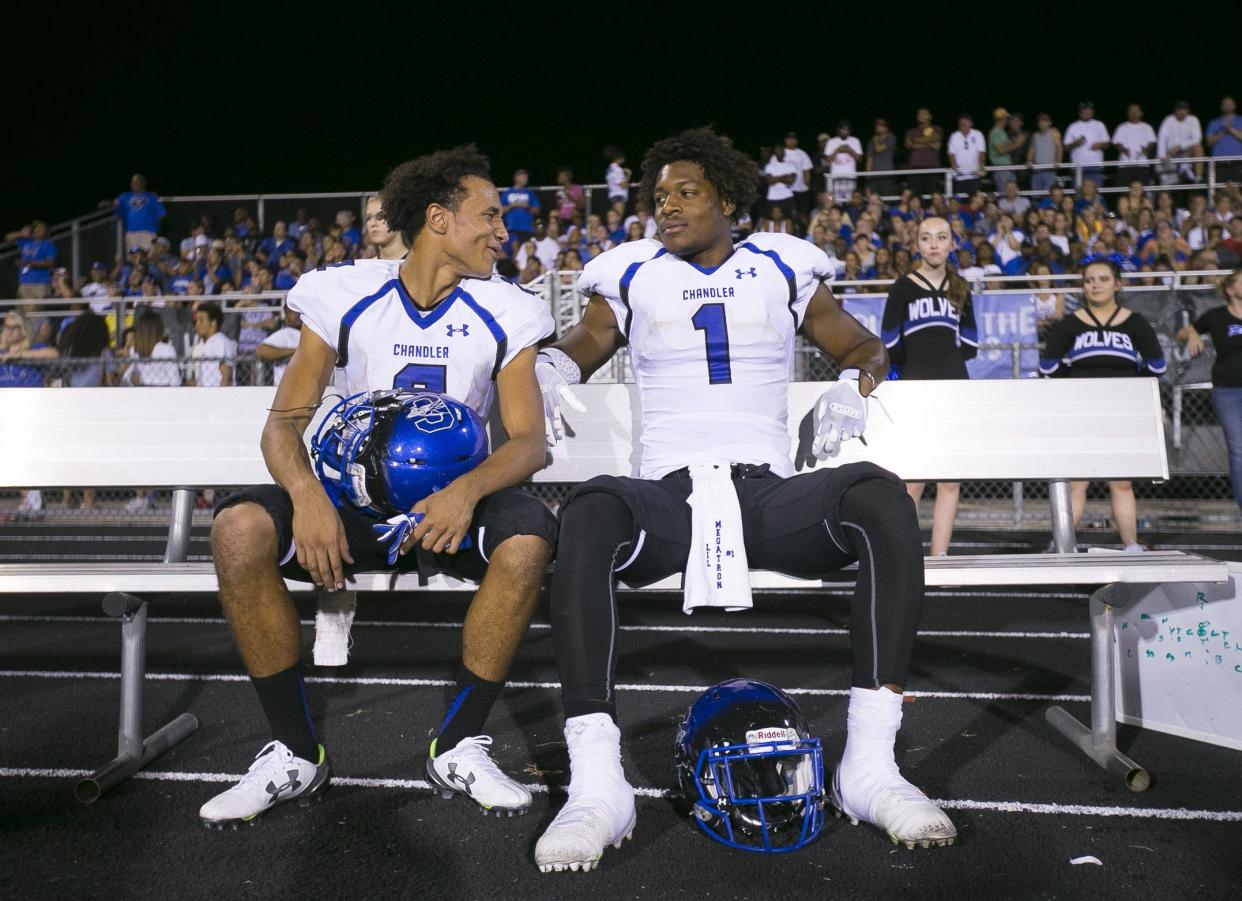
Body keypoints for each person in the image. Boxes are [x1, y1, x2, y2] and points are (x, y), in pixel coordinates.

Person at [531, 127, 955, 873]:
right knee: (591, 510)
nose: (667, 207)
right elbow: (581, 344)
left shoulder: (782, 266)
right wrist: (547, 368)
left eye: (686, 192)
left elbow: (863, 347)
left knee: (882, 499)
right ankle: (598, 781)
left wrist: (852, 383)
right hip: (671, 496)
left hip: (765, 494)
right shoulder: (631, 272)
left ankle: (869, 763)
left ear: (729, 199)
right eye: (658, 196)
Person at [198, 145, 557, 829]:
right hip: (352, 501)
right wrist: (307, 497)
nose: (503, 231)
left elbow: (529, 442)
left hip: (451, 509)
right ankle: (295, 753)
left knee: (528, 538)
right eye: (489, 215)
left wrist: (464, 493)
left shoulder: (505, 308)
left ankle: (457, 743)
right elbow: (282, 426)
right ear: (439, 218)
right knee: (237, 529)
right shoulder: (346, 293)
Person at [1039, 258, 1166, 551]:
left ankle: (1131, 544)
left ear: (1118, 284)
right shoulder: (1071, 323)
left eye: (1103, 279)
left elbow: (1158, 366)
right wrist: (1074, 386)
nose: (1095, 285)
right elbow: (1048, 365)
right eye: (1089, 280)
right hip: (1080, 411)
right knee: (1076, 482)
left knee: (1120, 482)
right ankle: (1062, 544)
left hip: (1121, 412)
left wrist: (1130, 389)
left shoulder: (1134, 322)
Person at [881, 217, 977, 557]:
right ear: (917, 245)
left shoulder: (961, 287)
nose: (934, 244)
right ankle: (904, 557)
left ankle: (940, 558)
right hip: (914, 389)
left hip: (954, 388)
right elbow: (890, 344)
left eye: (941, 237)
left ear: (953, 244)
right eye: (926, 238)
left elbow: (970, 345)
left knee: (950, 479)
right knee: (913, 477)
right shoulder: (902, 288)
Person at [1177, 269, 1242, 515]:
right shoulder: (1217, 316)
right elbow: (1182, 332)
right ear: (1230, 289)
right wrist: (1193, 333)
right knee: (1238, 450)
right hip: (1228, 391)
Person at [103, 173, 166, 251]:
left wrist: (154, 226)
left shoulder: (151, 196)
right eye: (133, 182)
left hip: (148, 233)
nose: (134, 184)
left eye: (137, 181)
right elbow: (114, 203)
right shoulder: (125, 196)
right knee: (133, 258)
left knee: (147, 257)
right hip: (131, 233)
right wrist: (106, 203)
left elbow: (161, 213)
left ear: (143, 183)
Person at [1063, 102, 1110, 189]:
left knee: (1096, 192)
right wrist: (1075, 144)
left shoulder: (1099, 125)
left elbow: (1107, 144)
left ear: (1093, 111)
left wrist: (1100, 145)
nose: (1086, 112)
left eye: (1089, 110)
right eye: (1084, 110)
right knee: (1079, 193)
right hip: (1078, 166)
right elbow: (1065, 148)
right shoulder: (1072, 126)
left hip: (1095, 166)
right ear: (1079, 112)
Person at [1156, 101, 1203, 185]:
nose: (1181, 112)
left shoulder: (1193, 119)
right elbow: (1162, 138)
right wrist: (1162, 155)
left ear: (1188, 111)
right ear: (1175, 111)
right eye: (1179, 109)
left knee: (1198, 147)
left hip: (1186, 151)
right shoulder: (1168, 120)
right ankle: (1184, 168)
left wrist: (1180, 146)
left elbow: (1197, 138)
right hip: (1171, 154)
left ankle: (1198, 177)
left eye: (1184, 109)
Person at [904, 108, 943, 198]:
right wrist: (930, 144)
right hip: (914, 168)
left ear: (930, 117)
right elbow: (908, 144)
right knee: (915, 196)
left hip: (932, 168)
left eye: (924, 114)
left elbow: (935, 137)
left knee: (934, 195)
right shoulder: (911, 131)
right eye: (919, 114)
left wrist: (916, 141)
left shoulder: (936, 128)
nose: (921, 116)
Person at [947, 113, 986, 197]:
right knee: (960, 201)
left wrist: (981, 166)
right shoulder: (954, 136)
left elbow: (982, 152)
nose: (963, 123)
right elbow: (951, 153)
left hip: (974, 176)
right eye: (961, 121)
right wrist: (953, 163)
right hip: (959, 177)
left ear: (971, 123)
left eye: (966, 121)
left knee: (975, 201)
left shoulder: (978, 134)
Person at [1206, 97, 1242, 184]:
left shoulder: (1240, 120)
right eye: (1225, 104)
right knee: (1220, 191)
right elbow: (1208, 142)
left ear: (1234, 106)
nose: (1228, 106)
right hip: (1219, 162)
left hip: (1238, 161)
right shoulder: (1214, 122)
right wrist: (1222, 131)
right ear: (1221, 107)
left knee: (1237, 190)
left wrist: (1230, 129)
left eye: (1230, 104)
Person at [365, 194, 408, 260]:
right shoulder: (366, 267)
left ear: (399, 218)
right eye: (368, 218)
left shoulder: (422, 265)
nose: (372, 223)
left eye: (380, 216)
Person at [1027, 112, 1063, 193]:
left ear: (1049, 123)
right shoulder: (1035, 135)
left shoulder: (1054, 133)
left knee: (1049, 195)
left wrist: (1058, 161)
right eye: (1040, 120)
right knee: (1036, 195)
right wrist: (1029, 160)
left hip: (1049, 171)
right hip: (1036, 171)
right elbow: (1031, 150)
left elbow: (1059, 148)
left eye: (1045, 120)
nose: (1042, 122)